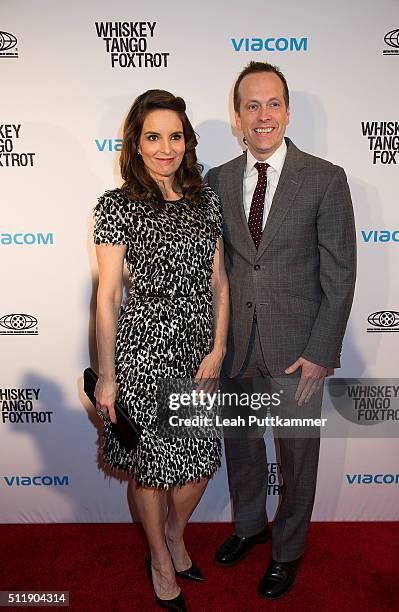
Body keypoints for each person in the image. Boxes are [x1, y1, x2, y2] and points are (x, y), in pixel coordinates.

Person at [205, 61, 356, 599]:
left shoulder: (325, 178)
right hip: (238, 348)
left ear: (287, 112)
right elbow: (216, 267)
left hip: (299, 352)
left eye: (272, 104)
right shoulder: (217, 179)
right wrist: (214, 344)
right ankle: (249, 527)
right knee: (242, 447)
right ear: (238, 116)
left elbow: (340, 276)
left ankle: (288, 550)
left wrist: (321, 352)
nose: (263, 115)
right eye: (252, 105)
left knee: (296, 457)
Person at [93, 89, 229, 612]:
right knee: (151, 469)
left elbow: (219, 283)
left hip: (197, 353)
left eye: (175, 136)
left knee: (195, 466)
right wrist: (108, 377)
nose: (166, 147)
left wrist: (217, 348)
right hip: (143, 351)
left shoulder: (206, 200)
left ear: (186, 141)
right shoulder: (117, 206)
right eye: (154, 136)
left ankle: (174, 533)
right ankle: (160, 557)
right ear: (137, 143)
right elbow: (107, 297)